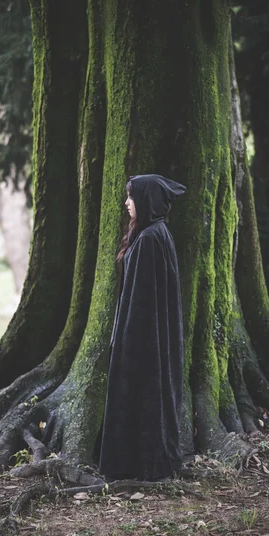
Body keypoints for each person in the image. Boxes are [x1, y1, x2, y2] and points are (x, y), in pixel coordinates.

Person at [99, 173, 186, 481]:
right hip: (147, 337)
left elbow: (145, 300)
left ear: (146, 200)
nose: (126, 202)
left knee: (144, 395)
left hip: (145, 339)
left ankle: (143, 465)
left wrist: (128, 340)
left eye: (131, 197)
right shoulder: (153, 234)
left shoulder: (151, 238)